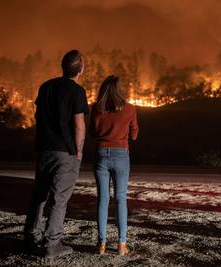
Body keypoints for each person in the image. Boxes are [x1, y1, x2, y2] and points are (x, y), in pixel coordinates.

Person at [24, 50, 89, 258]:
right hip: (65, 152)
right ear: (80, 69)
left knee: (39, 196)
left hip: (44, 149)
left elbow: (37, 115)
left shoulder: (46, 87)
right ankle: (52, 244)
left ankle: (30, 237)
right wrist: (78, 152)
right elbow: (79, 124)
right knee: (59, 199)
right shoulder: (77, 92)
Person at [89, 75, 139, 256]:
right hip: (121, 155)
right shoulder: (130, 109)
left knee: (102, 200)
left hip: (101, 154)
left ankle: (101, 244)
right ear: (120, 90)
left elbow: (93, 134)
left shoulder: (96, 108)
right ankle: (121, 244)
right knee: (120, 199)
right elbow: (134, 135)